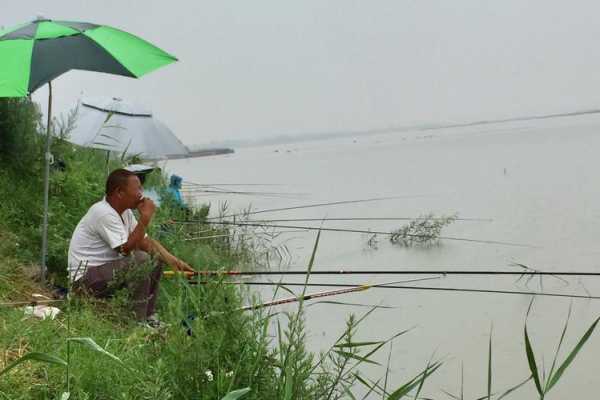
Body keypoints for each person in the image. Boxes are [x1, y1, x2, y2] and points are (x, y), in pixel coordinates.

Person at [67, 169, 195, 326]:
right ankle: (137, 322)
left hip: (101, 275)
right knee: (141, 259)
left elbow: (145, 243)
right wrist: (145, 218)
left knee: (154, 258)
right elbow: (124, 250)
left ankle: (149, 316)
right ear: (119, 192)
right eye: (137, 189)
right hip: (84, 282)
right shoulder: (103, 213)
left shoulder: (125, 212)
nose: (141, 194)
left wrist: (174, 262)